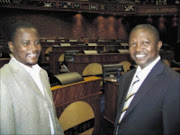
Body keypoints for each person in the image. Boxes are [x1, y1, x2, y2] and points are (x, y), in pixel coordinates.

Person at [114, 24, 180, 135]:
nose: (138, 49)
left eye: (145, 43)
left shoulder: (174, 82)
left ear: (158, 45)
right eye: (133, 44)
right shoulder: (126, 78)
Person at [0, 21, 64, 135]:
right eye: (26, 43)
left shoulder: (43, 73)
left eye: (37, 42)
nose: (34, 48)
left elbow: (51, 115)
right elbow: (6, 129)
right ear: (11, 46)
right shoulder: (3, 80)